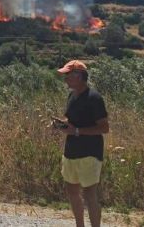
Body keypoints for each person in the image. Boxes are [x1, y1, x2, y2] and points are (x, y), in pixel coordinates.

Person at [52, 60, 109, 227]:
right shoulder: (72, 95)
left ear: (79, 76)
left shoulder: (94, 98)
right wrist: (61, 124)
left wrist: (77, 131)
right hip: (71, 152)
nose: (66, 78)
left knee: (90, 194)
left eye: (68, 75)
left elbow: (104, 128)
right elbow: (72, 121)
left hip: (90, 153)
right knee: (72, 191)